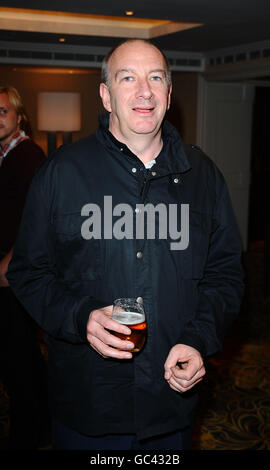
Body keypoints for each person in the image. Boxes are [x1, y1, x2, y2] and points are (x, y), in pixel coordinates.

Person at [7, 40, 244, 451]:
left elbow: (225, 274)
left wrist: (199, 338)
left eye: (155, 78)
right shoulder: (61, 173)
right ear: (106, 94)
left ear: (169, 94)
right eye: (127, 78)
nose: (144, 91)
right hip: (88, 401)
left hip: (171, 401)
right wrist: (81, 317)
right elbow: (27, 272)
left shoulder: (203, 176)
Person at [0, 85, 49, 449]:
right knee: (19, 356)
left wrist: (8, 264)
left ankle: (29, 435)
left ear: (18, 116)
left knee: (18, 358)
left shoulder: (29, 156)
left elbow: (33, 223)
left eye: (2, 112)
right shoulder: (5, 154)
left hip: (13, 272)